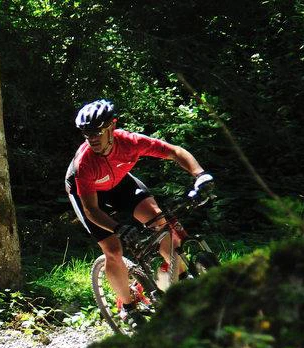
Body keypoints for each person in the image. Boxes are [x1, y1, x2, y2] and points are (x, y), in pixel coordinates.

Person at [64, 99, 213, 326]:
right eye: (87, 134)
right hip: (89, 198)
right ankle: (128, 307)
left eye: (97, 132)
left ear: (112, 126)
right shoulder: (84, 162)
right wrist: (118, 228)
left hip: (120, 184)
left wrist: (200, 175)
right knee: (113, 249)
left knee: (161, 222)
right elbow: (91, 210)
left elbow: (174, 152)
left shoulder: (129, 142)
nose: (92, 138)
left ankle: (180, 280)